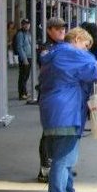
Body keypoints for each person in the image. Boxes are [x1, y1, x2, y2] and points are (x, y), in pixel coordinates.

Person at [39, 27, 97, 192]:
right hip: (67, 112)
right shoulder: (69, 53)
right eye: (85, 45)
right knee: (63, 160)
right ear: (78, 39)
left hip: (55, 111)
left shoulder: (54, 53)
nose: (86, 50)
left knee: (65, 158)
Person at [36, 17, 67, 183]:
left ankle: (55, 167)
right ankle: (44, 169)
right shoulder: (45, 48)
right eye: (57, 28)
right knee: (48, 133)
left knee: (58, 132)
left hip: (60, 96)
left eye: (63, 28)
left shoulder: (64, 46)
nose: (62, 30)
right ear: (49, 30)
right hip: (49, 96)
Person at [14, 18, 32, 99]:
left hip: (29, 56)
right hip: (25, 58)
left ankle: (24, 92)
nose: (27, 25)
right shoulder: (20, 34)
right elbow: (19, 47)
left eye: (28, 24)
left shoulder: (28, 33)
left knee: (26, 76)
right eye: (25, 24)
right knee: (23, 76)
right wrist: (24, 59)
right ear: (22, 25)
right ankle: (22, 94)